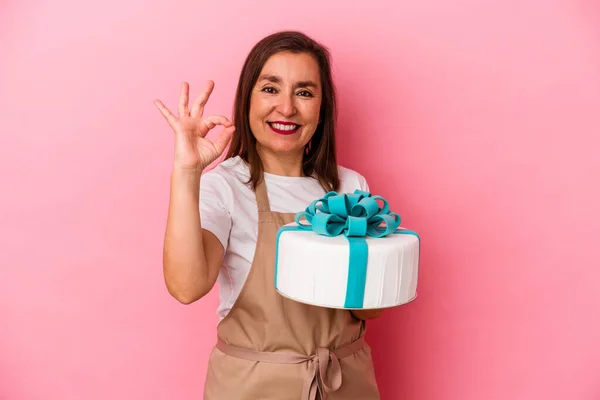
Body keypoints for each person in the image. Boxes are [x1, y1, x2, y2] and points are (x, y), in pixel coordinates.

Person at [154, 30, 383, 400]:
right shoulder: (226, 187)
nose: (287, 108)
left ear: (322, 109)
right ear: (247, 99)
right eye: (270, 89)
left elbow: (370, 312)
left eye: (304, 92)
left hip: (345, 383)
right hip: (252, 387)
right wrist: (187, 172)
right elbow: (186, 287)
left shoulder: (349, 186)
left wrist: (387, 260)